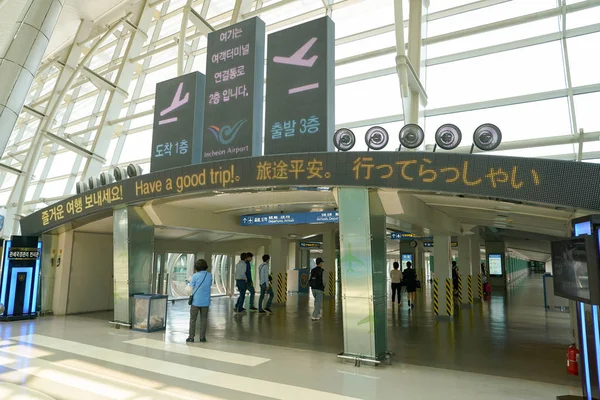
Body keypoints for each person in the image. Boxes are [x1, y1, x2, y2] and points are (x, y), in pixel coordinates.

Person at [187, 259, 212, 343]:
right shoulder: (210, 275)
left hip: (195, 301)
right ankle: (202, 337)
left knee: (193, 319)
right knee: (204, 319)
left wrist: (188, 283)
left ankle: (191, 337)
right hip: (205, 301)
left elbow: (190, 288)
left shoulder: (195, 276)